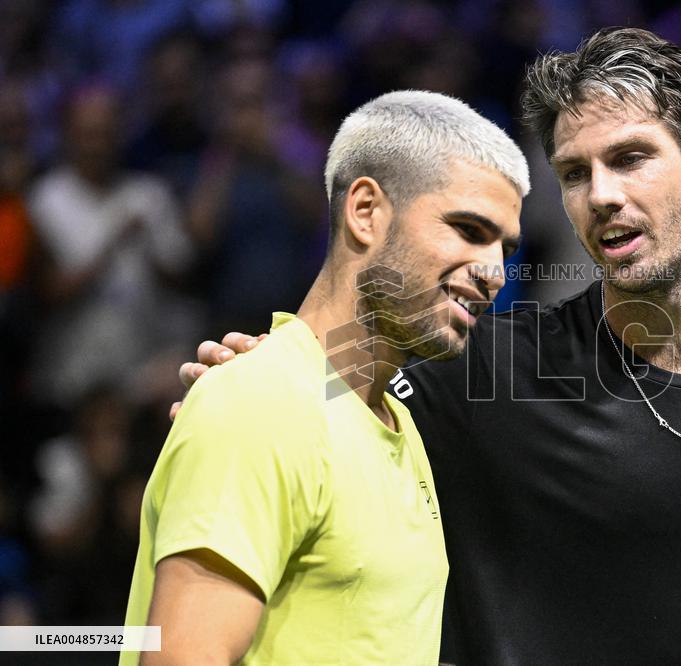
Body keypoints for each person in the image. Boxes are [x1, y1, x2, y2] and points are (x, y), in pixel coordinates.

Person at [179, 29, 681, 664]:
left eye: (631, 158)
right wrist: (251, 377)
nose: (602, 194)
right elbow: (313, 382)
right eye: (574, 173)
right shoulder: (479, 372)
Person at [124, 90, 528, 665]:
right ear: (365, 212)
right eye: (467, 229)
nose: (493, 271)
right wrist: (248, 398)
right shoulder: (259, 402)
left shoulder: (398, 426)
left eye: (505, 248)